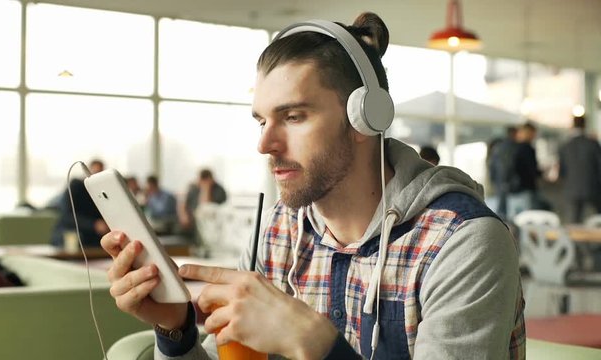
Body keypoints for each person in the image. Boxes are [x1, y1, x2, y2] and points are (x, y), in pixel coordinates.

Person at [101, 12, 525, 359]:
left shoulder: (462, 242)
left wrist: (318, 346)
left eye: (294, 116)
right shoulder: (277, 229)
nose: (265, 143)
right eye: (262, 120)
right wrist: (175, 331)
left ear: (365, 118)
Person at [50, 159, 109, 248]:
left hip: (93, 240)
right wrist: (94, 224)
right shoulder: (76, 186)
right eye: (95, 172)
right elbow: (67, 216)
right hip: (69, 235)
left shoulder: (102, 192)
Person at [558, 115, 601, 223]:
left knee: (573, 225)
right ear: (585, 125)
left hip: (571, 190)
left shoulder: (565, 145)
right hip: (592, 190)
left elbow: (562, 171)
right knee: (595, 224)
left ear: (572, 126)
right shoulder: (593, 144)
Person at [507, 122, 543, 218]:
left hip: (511, 191)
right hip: (525, 189)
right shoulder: (527, 149)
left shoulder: (511, 148)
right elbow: (532, 171)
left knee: (514, 221)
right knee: (529, 221)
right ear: (529, 133)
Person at [180, 168, 227, 234]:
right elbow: (183, 204)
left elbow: (205, 207)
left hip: (210, 222)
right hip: (192, 220)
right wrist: (184, 216)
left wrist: (206, 188)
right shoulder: (193, 188)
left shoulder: (219, 190)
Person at [487, 126, 520, 220]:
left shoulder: (500, 147)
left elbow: (494, 167)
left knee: (502, 210)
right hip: (507, 184)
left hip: (500, 183)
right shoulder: (509, 147)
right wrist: (506, 182)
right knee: (507, 212)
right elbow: (505, 167)